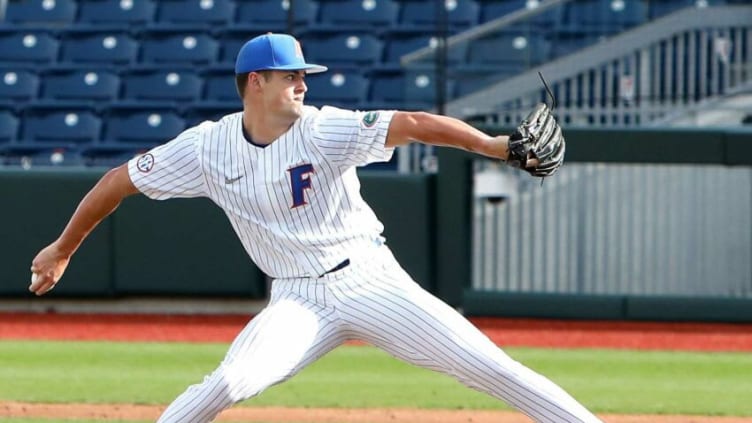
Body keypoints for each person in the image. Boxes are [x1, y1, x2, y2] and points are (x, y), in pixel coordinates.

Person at [29, 33, 596, 422]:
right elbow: (118, 182)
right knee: (228, 384)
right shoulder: (206, 147)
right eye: (291, 76)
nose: (304, 84)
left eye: (305, 75)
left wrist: (494, 146)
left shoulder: (324, 129)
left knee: (490, 368)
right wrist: (62, 247)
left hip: (372, 280)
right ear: (256, 82)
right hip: (298, 298)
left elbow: (416, 123)